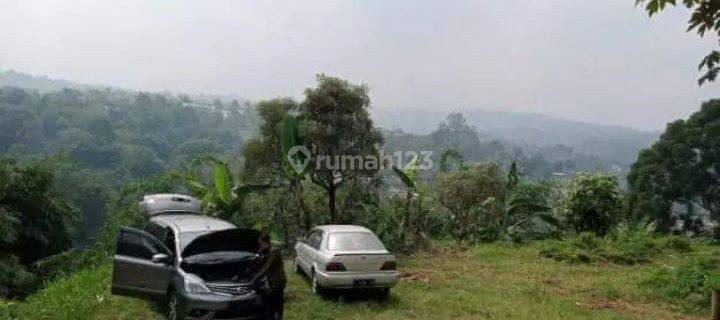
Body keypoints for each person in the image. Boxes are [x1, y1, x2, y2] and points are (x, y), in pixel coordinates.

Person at [251, 233, 287, 320]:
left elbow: (265, 268)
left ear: (265, 242)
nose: (260, 245)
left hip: (278, 280)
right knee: (276, 301)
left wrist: (254, 278)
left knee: (277, 302)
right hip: (272, 280)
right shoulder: (266, 250)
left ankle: (277, 317)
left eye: (261, 243)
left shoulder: (274, 251)